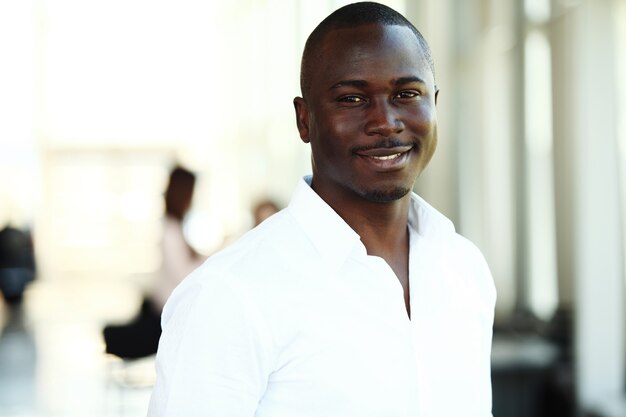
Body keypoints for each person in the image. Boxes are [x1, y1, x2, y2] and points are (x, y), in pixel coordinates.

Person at [148, 2, 496, 416]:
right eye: (352, 98)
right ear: (304, 120)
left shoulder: (464, 268)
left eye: (407, 94)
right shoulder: (229, 295)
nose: (386, 122)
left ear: (435, 104)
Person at [103, 166, 203, 359]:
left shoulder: (175, 227)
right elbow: (182, 274)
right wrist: (209, 263)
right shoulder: (170, 230)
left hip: (162, 307)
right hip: (163, 313)